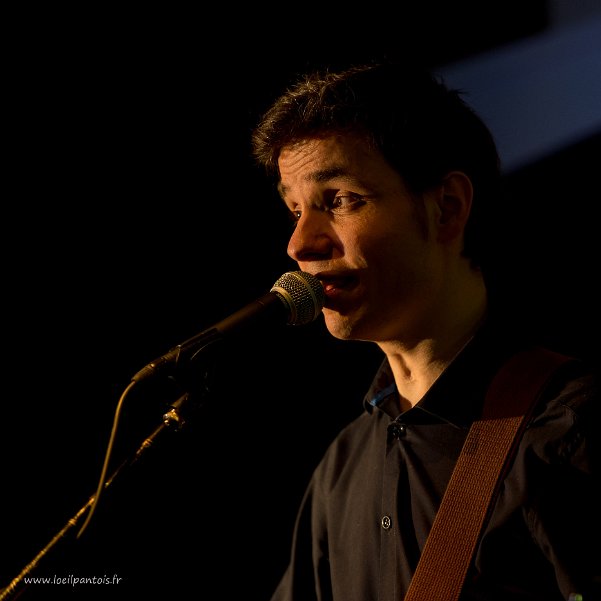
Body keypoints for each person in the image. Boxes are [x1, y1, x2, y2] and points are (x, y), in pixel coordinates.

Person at [250, 60, 600, 600]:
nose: (299, 245)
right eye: (294, 210)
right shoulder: (341, 469)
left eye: (339, 200)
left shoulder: (571, 433)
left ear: (448, 209)